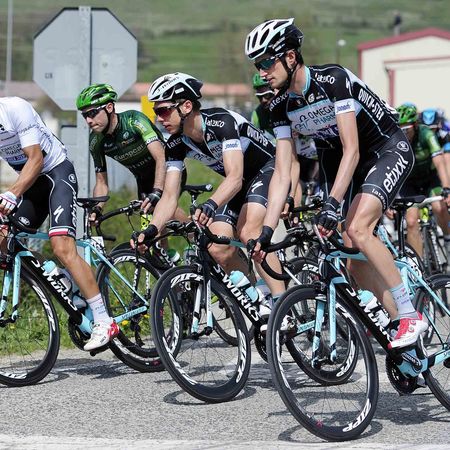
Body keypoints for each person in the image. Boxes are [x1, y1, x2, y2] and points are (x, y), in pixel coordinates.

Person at [245, 18, 427, 348]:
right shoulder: (280, 107)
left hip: (384, 149)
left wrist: (331, 204)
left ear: (290, 57)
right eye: (258, 65)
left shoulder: (333, 80)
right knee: (351, 256)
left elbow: (353, 148)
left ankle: (410, 314)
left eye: (267, 62)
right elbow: (283, 172)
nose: (262, 72)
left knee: (358, 229)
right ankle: (404, 335)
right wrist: (267, 231)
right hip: (340, 160)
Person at [133, 72, 285, 301]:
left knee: (248, 232)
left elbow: (235, 177)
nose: (159, 118)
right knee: (216, 246)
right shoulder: (175, 144)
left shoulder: (221, 123)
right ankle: (257, 299)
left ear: (186, 106)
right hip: (241, 182)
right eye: (156, 112)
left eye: (163, 111)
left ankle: (281, 305)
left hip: (269, 169)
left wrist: (211, 205)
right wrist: (152, 230)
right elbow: (170, 196)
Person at [0, 96, 118, 350]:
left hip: (56, 174)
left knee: (62, 247)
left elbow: (36, 160)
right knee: (3, 239)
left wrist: (12, 193)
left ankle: (103, 320)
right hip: (32, 185)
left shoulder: (15, 109)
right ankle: (60, 276)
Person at [76, 83, 175, 220]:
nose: (88, 120)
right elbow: (101, 183)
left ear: (109, 107)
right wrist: (97, 209)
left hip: (168, 169)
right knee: (151, 228)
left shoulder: (134, 121)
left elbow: (161, 157)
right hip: (143, 179)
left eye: (92, 113)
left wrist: (157, 191)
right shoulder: (95, 141)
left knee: (161, 209)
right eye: (84, 115)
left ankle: (195, 230)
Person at [396, 103, 450, 256]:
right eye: (401, 129)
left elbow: (439, 162)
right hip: (410, 183)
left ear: (415, 125)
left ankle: (447, 239)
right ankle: (418, 263)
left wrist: (447, 188)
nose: (404, 133)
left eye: (407, 129)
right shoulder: (397, 139)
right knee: (411, 221)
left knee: (439, 208)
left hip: (430, 179)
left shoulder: (426, 134)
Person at [250, 73, 275, 141]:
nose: (263, 100)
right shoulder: (256, 114)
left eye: (267, 95)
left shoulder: (288, 106)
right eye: (259, 97)